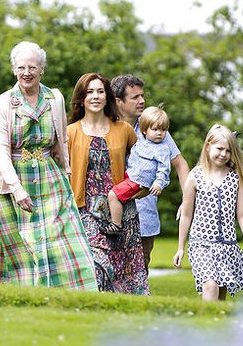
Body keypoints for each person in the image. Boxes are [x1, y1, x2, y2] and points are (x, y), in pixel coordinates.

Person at [0, 42, 98, 290]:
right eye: (22, 67)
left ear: (42, 70)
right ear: (14, 69)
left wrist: (66, 171)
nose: (27, 72)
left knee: (63, 243)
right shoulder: (2, 103)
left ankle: (73, 294)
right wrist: (17, 189)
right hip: (11, 183)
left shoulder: (54, 97)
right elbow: (1, 153)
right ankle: (20, 300)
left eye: (32, 67)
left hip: (49, 179)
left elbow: (61, 140)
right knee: (22, 251)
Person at [67, 73, 149, 295]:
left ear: (107, 96)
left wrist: (143, 186)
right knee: (96, 266)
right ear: (81, 98)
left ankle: (126, 322)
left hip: (121, 210)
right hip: (86, 209)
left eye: (100, 91)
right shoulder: (70, 132)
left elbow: (144, 162)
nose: (95, 96)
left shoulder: (124, 130)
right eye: (90, 92)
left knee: (127, 273)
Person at [110, 74, 189, 272]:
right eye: (135, 97)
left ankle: (139, 299)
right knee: (111, 261)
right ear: (118, 101)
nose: (142, 101)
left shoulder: (155, 129)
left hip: (145, 209)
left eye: (142, 96)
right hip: (114, 205)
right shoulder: (106, 126)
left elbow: (180, 164)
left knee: (142, 262)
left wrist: (187, 200)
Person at [173, 125, 243, 301]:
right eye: (219, 148)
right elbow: (186, 214)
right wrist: (181, 247)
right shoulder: (195, 176)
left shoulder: (236, 178)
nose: (223, 154)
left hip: (227, 246)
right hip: (201, 245)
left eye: (228, 150)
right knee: (210, 287)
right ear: (208, 146)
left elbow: (242, 214)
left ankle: (216, 326)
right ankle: (205, 327)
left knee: (220, 296)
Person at [106, 106, 174, 234]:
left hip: (139, 181)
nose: (160, 133)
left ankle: (116, 224)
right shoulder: (141, 140)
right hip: (131, 174)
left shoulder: (163, 149)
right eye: (155, 129)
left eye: (163, 130)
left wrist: (158, 183)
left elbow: (164, 169)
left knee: (113, 195)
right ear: (144, 130)